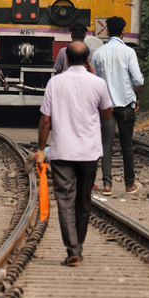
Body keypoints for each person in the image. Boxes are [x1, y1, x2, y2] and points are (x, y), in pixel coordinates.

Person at [38, 41, 113, 266]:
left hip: (62, 152)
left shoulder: (55, 83)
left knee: (65, 201)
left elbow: (45, 120)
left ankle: (73, 249)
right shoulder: (98, 83)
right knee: (83, 200)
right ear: (88, 59)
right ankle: (77, 245)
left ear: (66, 59)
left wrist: (41, 149)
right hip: (89, 153)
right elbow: (108, 115)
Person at [90, 16, 144, 196]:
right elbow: (138, 79)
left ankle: (107, 185)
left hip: (106, 107)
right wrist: (136, 97)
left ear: (106, 31)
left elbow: (95, 81)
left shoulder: (98, 53)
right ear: (123, 32)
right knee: (127, 144)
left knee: (106, 144)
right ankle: (129, 185)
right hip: (126, 105)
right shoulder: (128, 52)